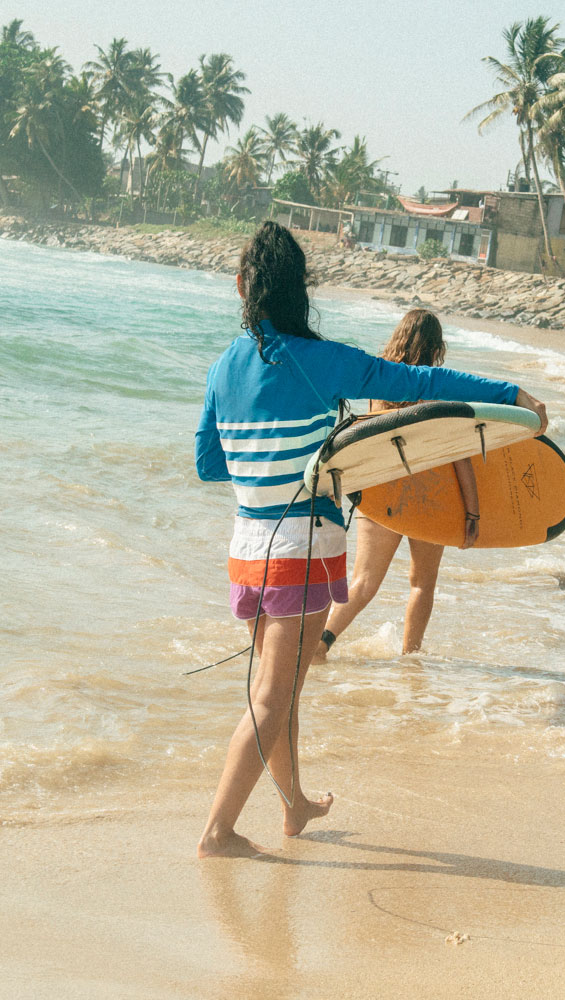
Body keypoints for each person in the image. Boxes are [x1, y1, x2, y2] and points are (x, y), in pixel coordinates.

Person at [194, 221, 546, 858]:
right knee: (273, 697)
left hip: (247, 549)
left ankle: (293, 803)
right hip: (299, 548)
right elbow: (420, 387)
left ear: (243, 285)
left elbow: (208, 463)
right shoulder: (322, 360)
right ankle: (217, 832)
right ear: (300, 290)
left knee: (285, 686)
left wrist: (268, 453)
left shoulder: (224, 367)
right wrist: (508, 396)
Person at [313, 309, 480, 661]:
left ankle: (320, 644)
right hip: (430, 498)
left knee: (362, 585)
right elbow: (460, 455)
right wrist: (473, 513)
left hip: (380, 494)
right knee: (422, 584)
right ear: (437, 347)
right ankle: (410, 659)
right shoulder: (437, 388)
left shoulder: (378, 384)